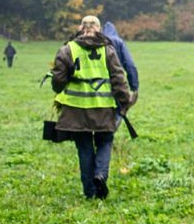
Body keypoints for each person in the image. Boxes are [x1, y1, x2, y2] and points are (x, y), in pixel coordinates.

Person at [50, 16, 134, 199]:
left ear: (81, 28)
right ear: (99, 30)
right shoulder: (108, 50)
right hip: (104, 108)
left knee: (84, 148)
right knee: (105, 141)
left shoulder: (67, 49)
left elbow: (57, 82)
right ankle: (100, 174)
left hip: (76, 110)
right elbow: (118, 78)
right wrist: (125, 101)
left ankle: (90, 191)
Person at [103, 22, 139, 93]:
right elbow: (130, 65)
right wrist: (134, 86)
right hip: (117, 78)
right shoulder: (119, 42)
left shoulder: (99, 41)